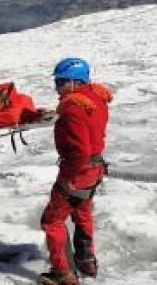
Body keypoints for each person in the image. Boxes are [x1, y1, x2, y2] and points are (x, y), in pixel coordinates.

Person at [39, 58, 113, 285]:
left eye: (61, 82)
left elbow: (79, 150)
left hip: (78, 172)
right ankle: (86, 261)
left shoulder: (72, 107)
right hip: (95, 169)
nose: (57, 87)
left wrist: (66, 180)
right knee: (82, 213)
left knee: (52, 220)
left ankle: (63, 275)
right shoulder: (96, 97)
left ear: (73, 82)